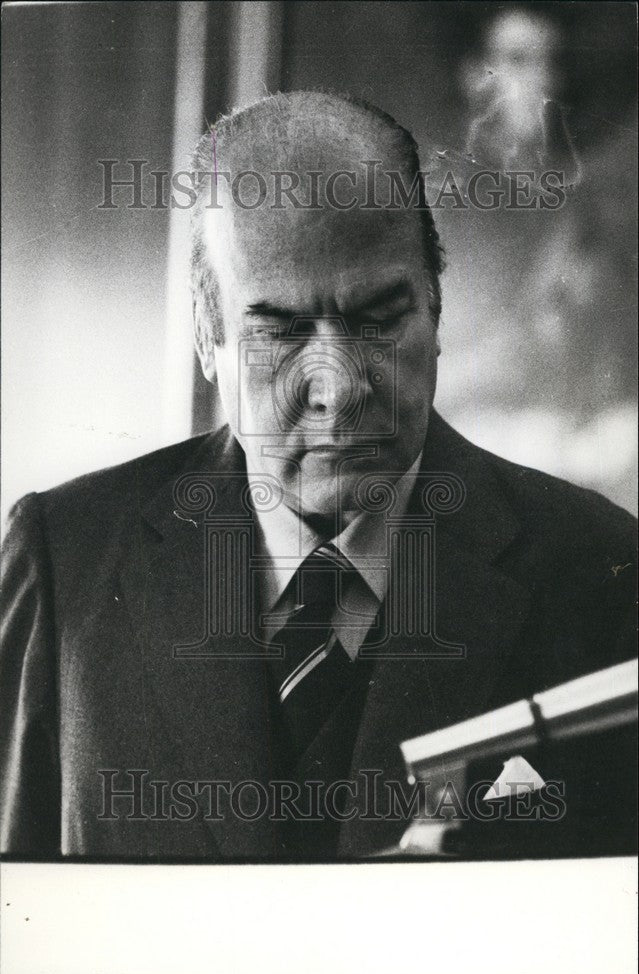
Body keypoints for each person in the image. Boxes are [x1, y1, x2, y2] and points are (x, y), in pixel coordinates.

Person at [1, 92, 635, 860]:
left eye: (378, 318)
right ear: (209, 339)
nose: (338, 388)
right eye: (281, 330)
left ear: (435, 308)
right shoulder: (64, 559)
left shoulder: (602, 572)